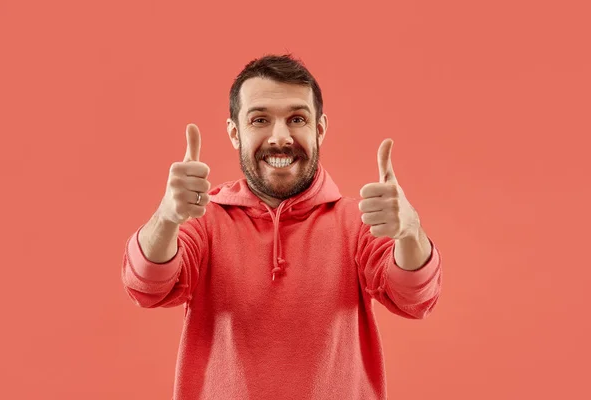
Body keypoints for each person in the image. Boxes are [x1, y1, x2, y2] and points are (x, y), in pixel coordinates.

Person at [121, 54, 442, 400]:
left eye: (297, 119)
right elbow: (146, 286)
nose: (280, 137)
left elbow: (415, 298)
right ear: (234, 132)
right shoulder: (205, 218)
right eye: (260, 119)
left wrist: (410, 233)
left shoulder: (359, 221)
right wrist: (166, 218)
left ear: (319, 129)